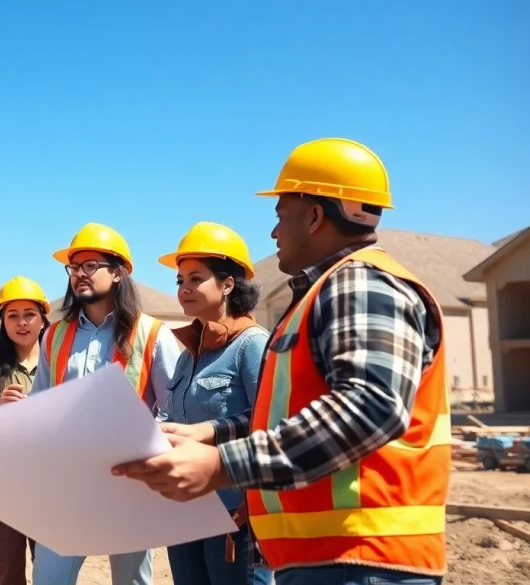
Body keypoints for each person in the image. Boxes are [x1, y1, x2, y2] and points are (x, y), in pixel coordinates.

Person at [113, 138, 451, 585]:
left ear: (314, 216)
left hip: (362, 556)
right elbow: (282, 417)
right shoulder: (325, 294)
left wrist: (223, 464)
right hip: (329, 556)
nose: (273, 233)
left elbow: (371, 406)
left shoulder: (360, 284)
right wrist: (208, 433)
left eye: (280, 215)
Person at [0, 222, 182, 585]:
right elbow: (43, 403)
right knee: (49, 578)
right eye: (74, 267)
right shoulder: (54, 334)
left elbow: (174, 409)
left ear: (117, 273)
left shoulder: (152, 333)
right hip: (68, 483)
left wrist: (146, 450)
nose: (79, 274)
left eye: (90, 266)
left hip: (130, 484)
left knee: (130, 580)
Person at [155, 222, 273, 585]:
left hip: (235, 511)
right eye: (180, 281)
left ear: (227, 284)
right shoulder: (189, 354)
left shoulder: (252, 345)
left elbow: (269, 419)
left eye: (196, 278)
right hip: (184, 507)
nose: (184, 288)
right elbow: (172, 416)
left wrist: (209, 431)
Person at [0, 276, 51, 585]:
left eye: (29, 314)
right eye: (12, 315)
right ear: (3, 322)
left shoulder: (62, 364)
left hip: (51, 487)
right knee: (6, 577)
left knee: (52, 575)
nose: (21, 322)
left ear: (43, 319)